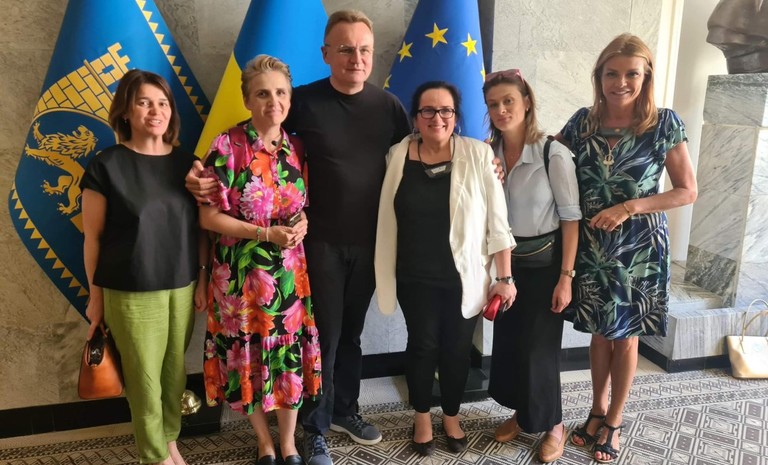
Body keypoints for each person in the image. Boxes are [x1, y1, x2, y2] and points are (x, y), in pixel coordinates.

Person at [185, 10, 411, 465]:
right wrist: (192, 175)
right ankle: (314, 429)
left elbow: (415, 157)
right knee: (321, 337)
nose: (356, 58)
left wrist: (483, 159)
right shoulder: (302, 101)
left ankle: (346, 410)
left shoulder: (389, 107)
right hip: (314, 248)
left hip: (369, 244)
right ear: (326, 53)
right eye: (345, 49)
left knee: (351, 335)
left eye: (364, 49)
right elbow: (246, 154)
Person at [557, 33, 697, 464]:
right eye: (611, 73)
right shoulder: (582, 123)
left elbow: (686, 191)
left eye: (631, 74)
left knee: (626, 336)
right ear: (598, 77)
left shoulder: (663, 123)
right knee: (600, 334)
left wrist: (629, 206)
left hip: (638, 248)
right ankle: (597, 410)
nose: (621, 82)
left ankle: (614, 421)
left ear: (646, 76)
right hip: (592, 246)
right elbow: (546, 161)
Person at [374, 81, 516, 457]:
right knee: (422, 346)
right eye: (428, 110)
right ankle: (422, 416)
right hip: (413, 275)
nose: (437, 118)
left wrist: (504, 277)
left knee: (456, 349)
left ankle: (451, 416)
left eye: (445, 111)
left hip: (465, 276)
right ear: (415, 117)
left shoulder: (479, 154)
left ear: (455, 116)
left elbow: (498, 221)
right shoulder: (396, 156)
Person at [198, 55, 321, 465]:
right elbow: (207, 217)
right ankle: (264, 441)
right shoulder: (227, 146)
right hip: (239, 278)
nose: (274, 102)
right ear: (248, 100)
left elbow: (301, 204)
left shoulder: (296, 147)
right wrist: (264, 234)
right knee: (245, 358)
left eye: (281, 92)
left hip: (288, 278)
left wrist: (302, 221)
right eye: (263, 94)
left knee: (287, 358)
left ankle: (287, 442)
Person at [81, 69, 208, 465]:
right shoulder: (106, 166)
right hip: (130, 293)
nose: (156, 111)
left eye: (163, 103)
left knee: (173, 375)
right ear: (126, 111)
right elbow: (92, 238)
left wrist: (203, 279)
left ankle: (169, 443)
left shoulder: (189, 165)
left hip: (181, 287)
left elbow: (202, 228)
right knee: (145, 381)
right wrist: (95, 298)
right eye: (144, 102)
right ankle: (154, 457)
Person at [482, 69, 581, 463]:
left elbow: (571, 219)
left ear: (526, 102)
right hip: (505, 266)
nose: (502, 110)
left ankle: (554, 424)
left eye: (509, 101)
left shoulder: (551, 152)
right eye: (493, 104)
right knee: (512, 345)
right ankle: (524, 415)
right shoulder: (487, 152)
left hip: (545, 266)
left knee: (540, 350)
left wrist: (566, 278)